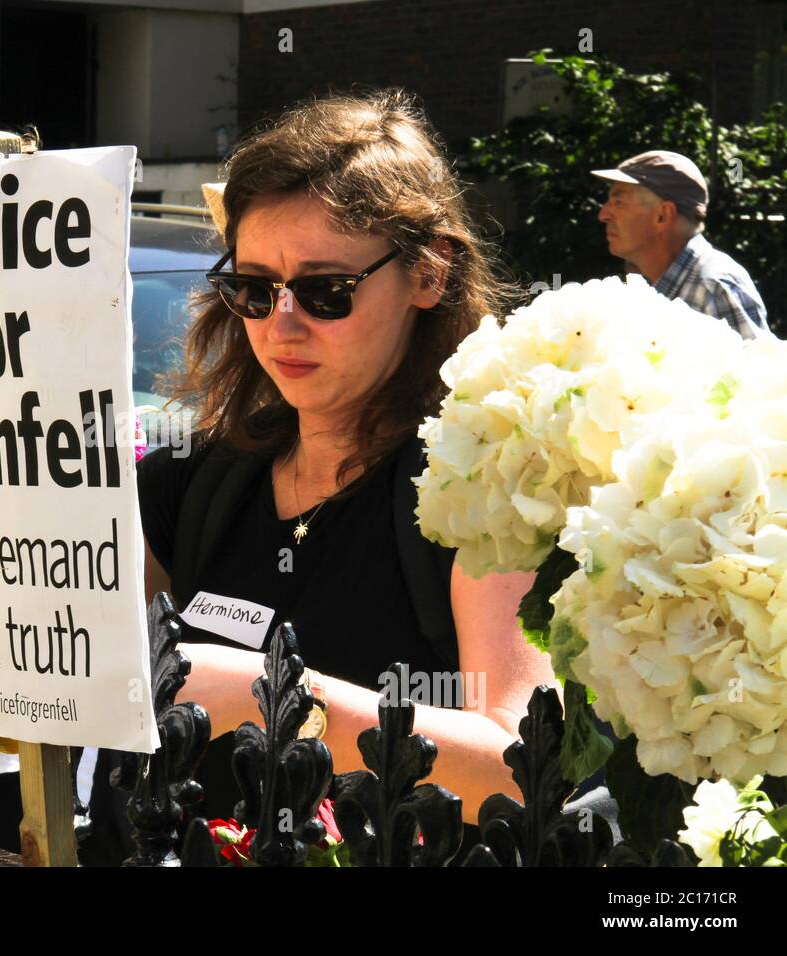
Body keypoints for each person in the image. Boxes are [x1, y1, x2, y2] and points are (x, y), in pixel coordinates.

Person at [86, 90, 561, 864]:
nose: (282, 324)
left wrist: (272, 699)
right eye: (253, 287)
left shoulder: (479, 494)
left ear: (430, 275)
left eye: (324, 291)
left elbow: (521, 769)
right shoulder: (199, 480)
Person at [594, 149, 770, 338]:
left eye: (618, 202)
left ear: (662, 216)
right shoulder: (643, 286)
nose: (603, 215)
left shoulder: (713, 290)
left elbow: (757, 367)